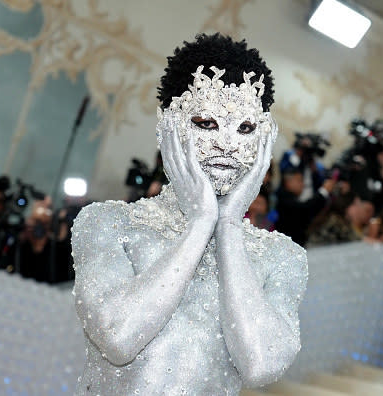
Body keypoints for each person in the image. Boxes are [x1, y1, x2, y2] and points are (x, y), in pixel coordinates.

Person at [71, 34, 307, 395]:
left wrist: (228, 225)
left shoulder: (282, 256)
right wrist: (200, 224)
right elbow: (118, 338)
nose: (227, 144)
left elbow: (261, 364)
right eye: (206, 122)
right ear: (168, 125)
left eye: (244, 128)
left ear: (264, 139)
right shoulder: (107, 224)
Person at [274, 167, 333, 246]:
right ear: (288, 182)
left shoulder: (287, 198)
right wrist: (324, 191)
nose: (303, 184)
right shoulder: (283, 200)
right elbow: (305, 210)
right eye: (299, 180)